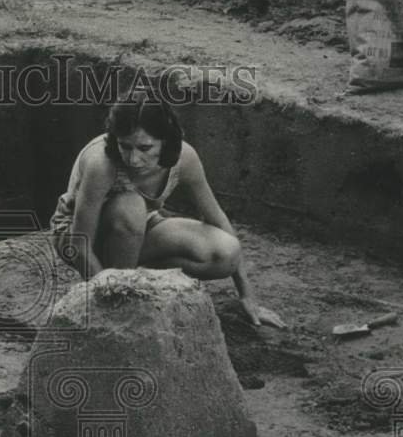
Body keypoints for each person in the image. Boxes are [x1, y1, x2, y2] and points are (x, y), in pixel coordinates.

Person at [51, 95, 286, 328]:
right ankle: (121, 294)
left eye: (145, 148)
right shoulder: (101, 163)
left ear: (165, 140)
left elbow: (216, 217)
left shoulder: (185, 158)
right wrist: (107, 299)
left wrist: (247, 294)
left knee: (226, 254)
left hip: (140, 228)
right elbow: (80, 244)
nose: (133, 159)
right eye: (125, 146)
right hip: (76, 234)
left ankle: (131, 277)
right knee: (131, 206)